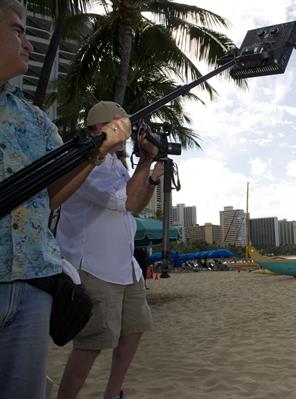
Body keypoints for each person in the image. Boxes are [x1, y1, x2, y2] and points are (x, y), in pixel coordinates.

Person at [0, 1, 130, 397]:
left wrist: (97, 151)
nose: (29, 44)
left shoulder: (34, 118)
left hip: (33, 283)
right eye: (17, 30)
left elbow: (52, 195)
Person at [55, 101, 163, 399]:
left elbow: (135, 207)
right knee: (91, 344)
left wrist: (151, 176)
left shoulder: (115, 163)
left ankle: (113, 393)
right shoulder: (85, 159)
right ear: (105, 126)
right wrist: (143, 163)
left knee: (134, 330)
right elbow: (126, 201)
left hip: (126, 267)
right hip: (94, 265)